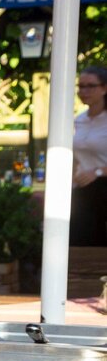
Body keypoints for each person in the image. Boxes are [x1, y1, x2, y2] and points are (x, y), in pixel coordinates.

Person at [72, 66, 107, 246]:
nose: (84, 91)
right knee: (78, 240)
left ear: (104, 88)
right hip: (82, 189)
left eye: (90, 86)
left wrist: (98, 172)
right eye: (81, 86)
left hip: (103, 186)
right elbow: (77, 155)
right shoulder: (79, 120)